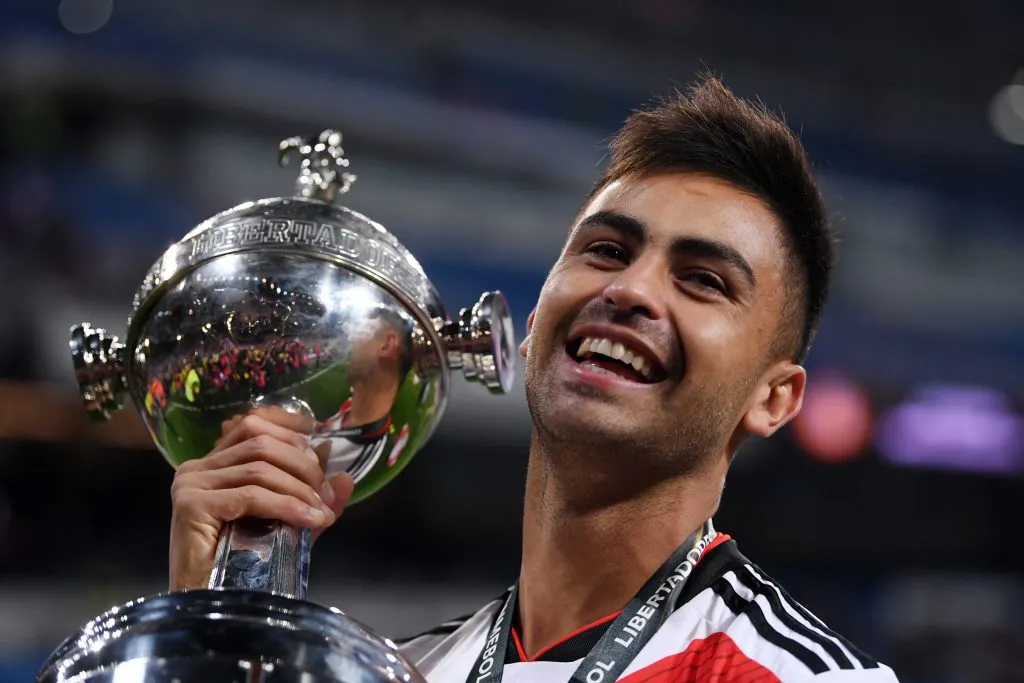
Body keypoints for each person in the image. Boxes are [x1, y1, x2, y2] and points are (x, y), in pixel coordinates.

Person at [168, 75, 899, 682]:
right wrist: (209, 628)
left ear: (774, 398)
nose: (632, 290)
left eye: (702, 279)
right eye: (608, 250)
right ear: (531, 327)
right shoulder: (410, 671)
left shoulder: (802, 677)